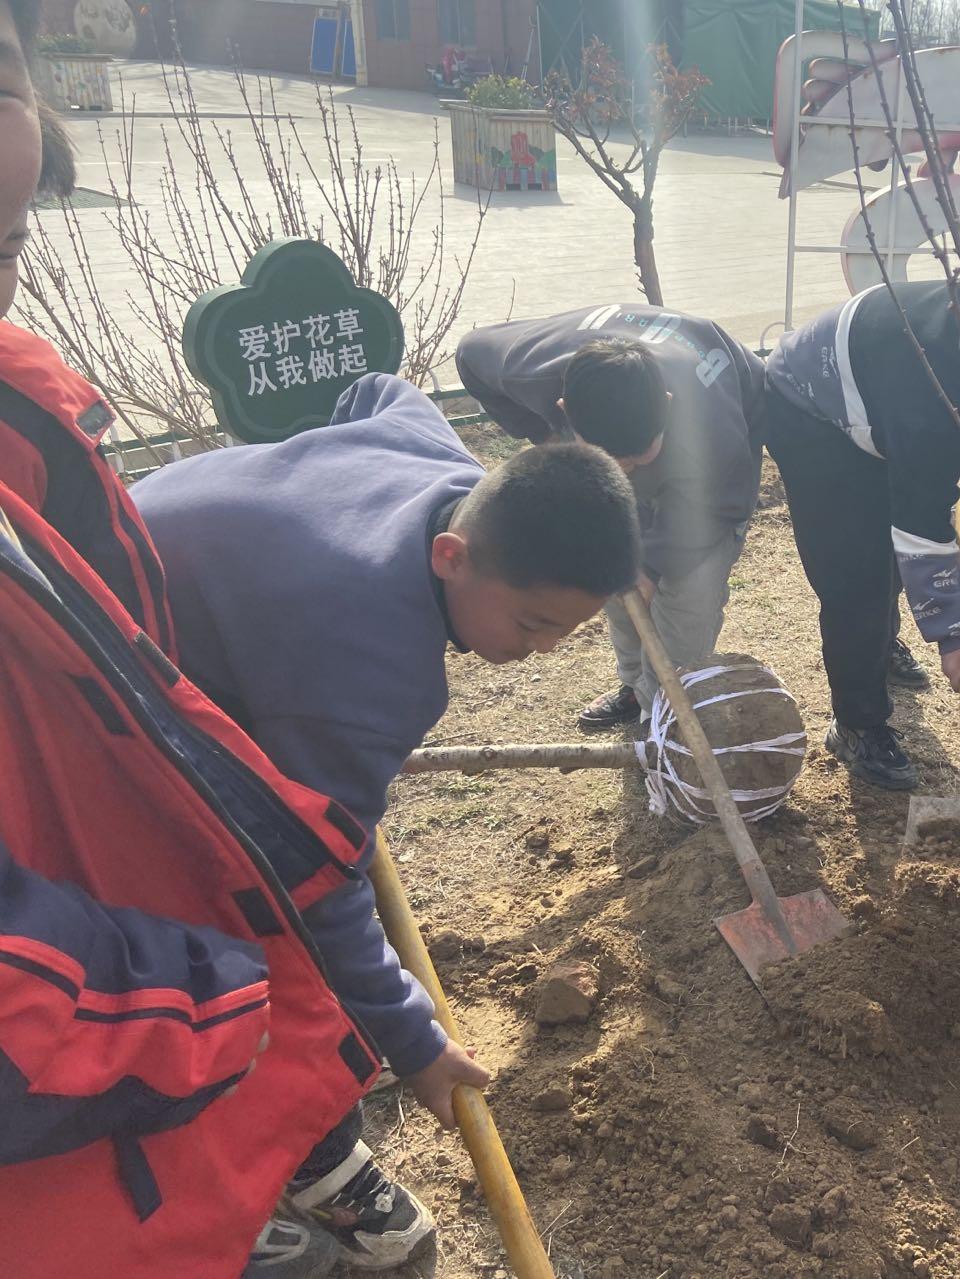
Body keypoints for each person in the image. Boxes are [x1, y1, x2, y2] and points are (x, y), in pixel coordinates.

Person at [0, 7, 379, 1276]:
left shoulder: (21, 393)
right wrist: (197, 1006)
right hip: (96, 1034)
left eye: (8, 238)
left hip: (121, 885)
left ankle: (289, 1170)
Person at [131, 373, 641, 1267]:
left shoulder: (436, 457)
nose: (543, 651)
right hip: (105, 665)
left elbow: (379, 386)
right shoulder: (368, 672)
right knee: (239, 944)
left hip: (163, 542)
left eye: (568, 630)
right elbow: (320, 884)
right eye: (531, 622)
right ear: (451, 555)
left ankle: (306, 1147)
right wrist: (414, 1040)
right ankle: (242, 1174)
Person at [764, 268, 960, 789]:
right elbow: (921, 524)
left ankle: (880, 645)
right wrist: (953, 637)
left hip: (876, 394)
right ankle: (857, 725)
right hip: (808, 410)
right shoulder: (928, 399)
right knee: (857, 577)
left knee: (888, 552)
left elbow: (922, 503)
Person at [454, 305, 807, 730]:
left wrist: (654, 565)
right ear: (565, 408)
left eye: (639, 456)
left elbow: (722, 503)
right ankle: (635, 687)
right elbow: (469, 357)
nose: (624, 471)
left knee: (688, 591)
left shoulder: (712, 431)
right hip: (618, 405)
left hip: (716, 448)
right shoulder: (522, 366)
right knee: (617, 573)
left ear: (666, 406)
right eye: (610, 459)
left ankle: (667, 709)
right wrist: (545, 435)